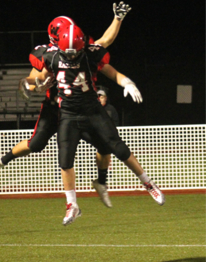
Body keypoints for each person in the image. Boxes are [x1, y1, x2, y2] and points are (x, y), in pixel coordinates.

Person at [0, 3, 133, 209]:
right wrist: (35, 86)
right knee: (35, 144)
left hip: (81, 108)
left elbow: (104, 42)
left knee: (106, 144)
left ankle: (101, 182)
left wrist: (117, 19)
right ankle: (1, 161)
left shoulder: (81, 50)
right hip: (55, 110)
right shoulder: (46, 55)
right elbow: (31, 82)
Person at [32, 24, 164, 225]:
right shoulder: (50, 55)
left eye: (74, 53)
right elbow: (38, 78)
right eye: (66, 53)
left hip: (93, 110)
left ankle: (147, 183)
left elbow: (113, 73)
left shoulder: (91, 54)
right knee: (65, 160)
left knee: (118, 147)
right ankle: (72, 205)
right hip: (67, 113)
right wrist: (38, 85)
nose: (70, 57)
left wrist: (127, 82)